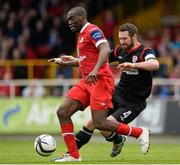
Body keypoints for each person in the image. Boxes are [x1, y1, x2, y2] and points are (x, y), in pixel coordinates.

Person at [48, 7, 153, 162]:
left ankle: (139, 133)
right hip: (91, 81)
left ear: (82, 16)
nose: (69, 22)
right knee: (63, 112)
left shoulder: (93, 30)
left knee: (100, 123)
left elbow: (104, 48)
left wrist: (97, 70)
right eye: (68, 19)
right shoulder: (84, 36)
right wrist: (69, 62)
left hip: (107, 85)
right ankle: (73, 155)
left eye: (72, 18)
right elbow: (91, 60)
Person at [71, 22, 160, 157]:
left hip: (134, 102)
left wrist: (134, 65)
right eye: (120, 38)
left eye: (125, 38)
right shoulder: (119, 50)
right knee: (94, 123)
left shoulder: (145, 51)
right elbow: (98, 60)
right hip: (117, 94)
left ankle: (138, 133)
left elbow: (155, 64)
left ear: (134, 37)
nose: (122, 42)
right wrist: (73, 61)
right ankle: (71, 154)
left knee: (108, 124)